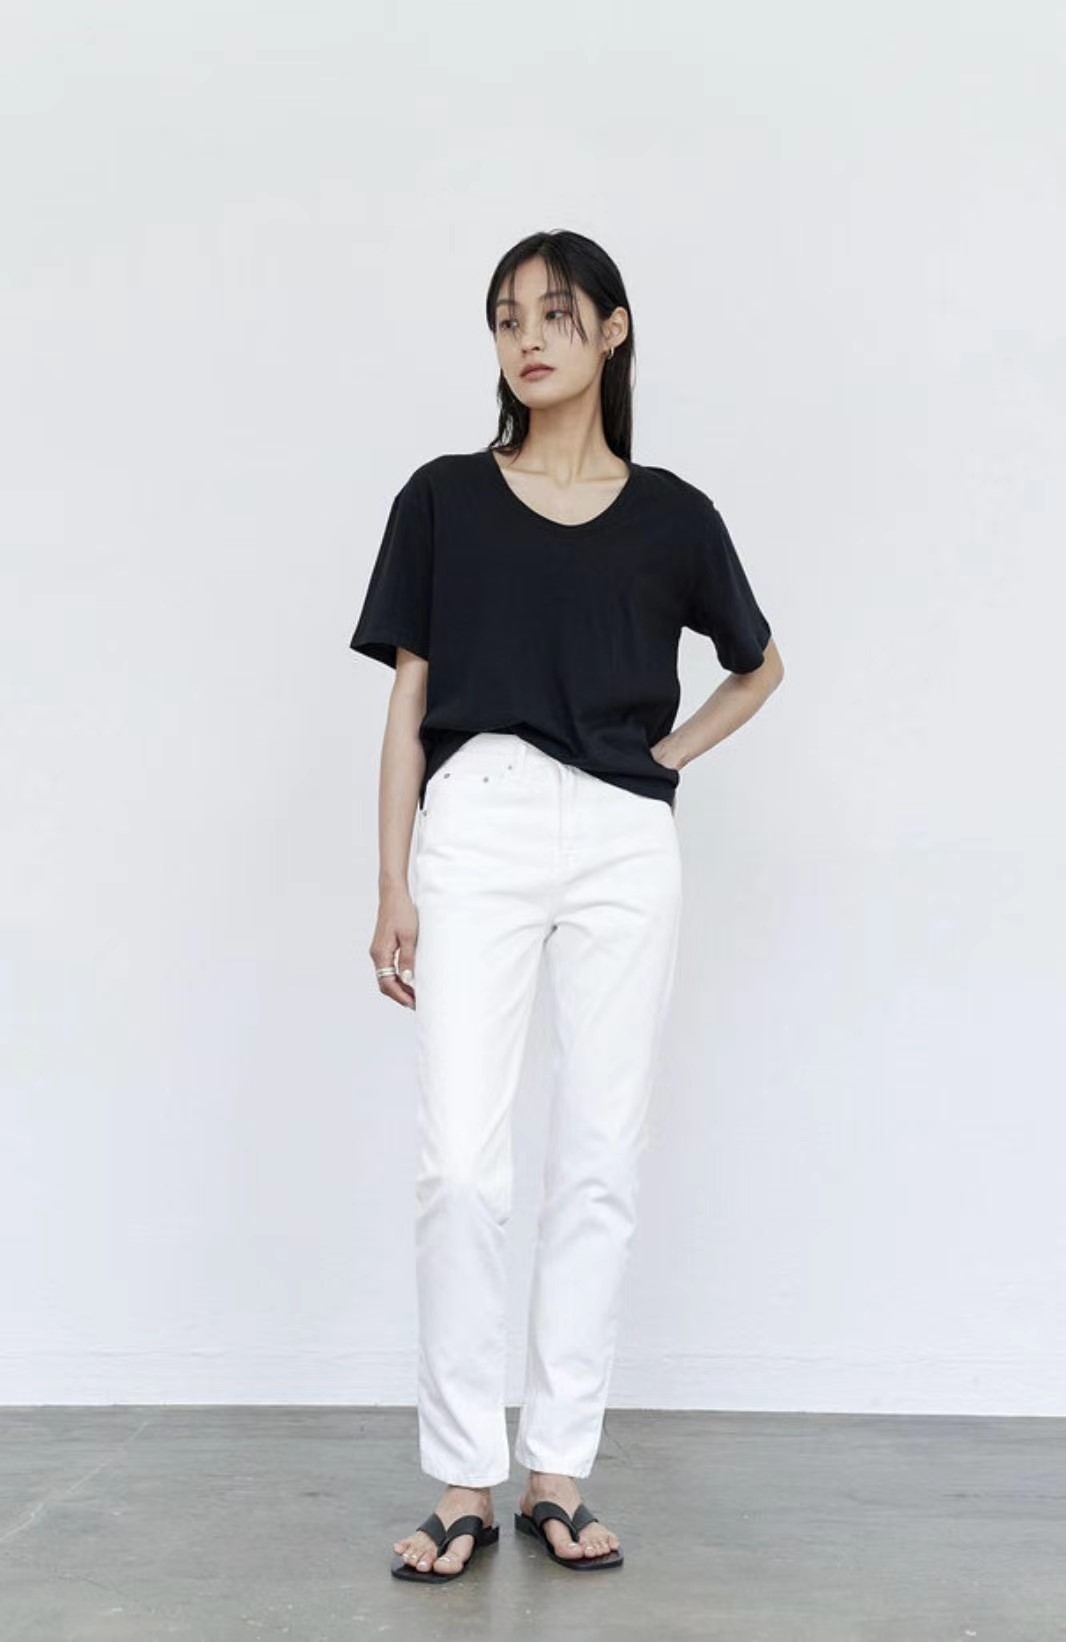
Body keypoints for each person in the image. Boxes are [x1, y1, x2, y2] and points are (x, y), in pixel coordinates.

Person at [349, 229, 784, 1582]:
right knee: (461, 1167)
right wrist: (392, 880)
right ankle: (462, 1478)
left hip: (619, 842)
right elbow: (410, 701)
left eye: (553, 312)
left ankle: (556, 1471)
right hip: (475, 821)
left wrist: (661, 764)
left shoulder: (674, 517)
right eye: (504, 318)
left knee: (597, 1156)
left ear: (612, 329)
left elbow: (759, 665)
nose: (526, 338)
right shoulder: (442, 498)